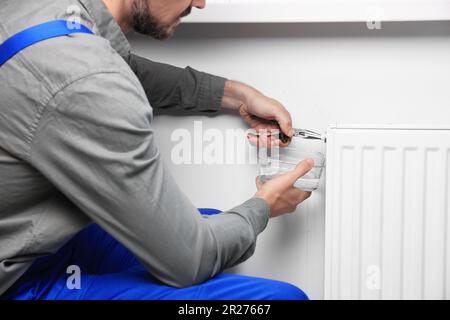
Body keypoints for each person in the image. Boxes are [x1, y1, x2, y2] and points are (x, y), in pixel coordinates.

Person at [0, 0, 313, 300]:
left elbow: (116, 66)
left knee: (215, 222)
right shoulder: (90, 82)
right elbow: (191, 261)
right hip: (18, 281)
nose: (201, 4)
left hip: (44, 243)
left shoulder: (48, 17)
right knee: (282, 297)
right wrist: (264, 206)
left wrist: (236, 95)